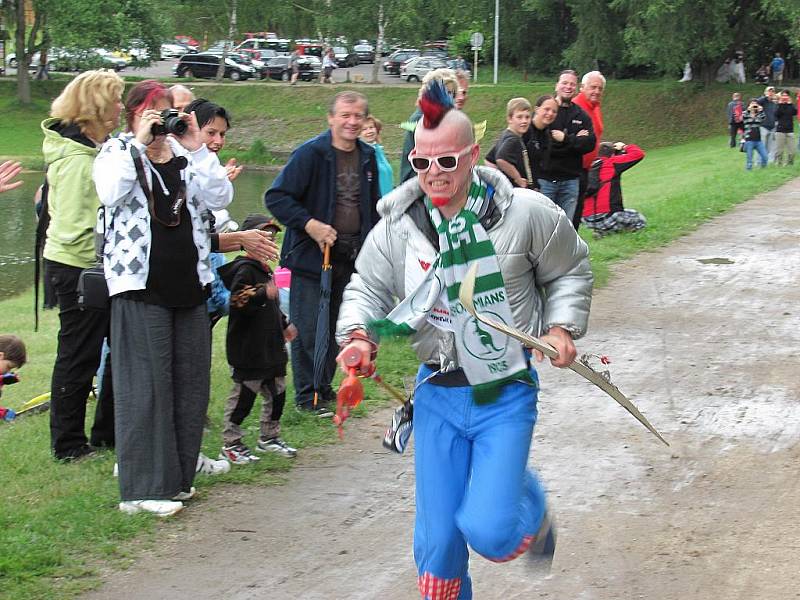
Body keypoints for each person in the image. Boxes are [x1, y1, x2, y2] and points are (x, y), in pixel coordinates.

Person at [335, 80, 593, 599]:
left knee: (492, 532)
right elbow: (366, 284)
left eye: (447, 161)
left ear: (473, 155)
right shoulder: (397, 225)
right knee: (438, 550)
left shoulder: (525, 213)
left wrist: (562, 327)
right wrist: (359, 335)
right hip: (436, 393)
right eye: (421, 161)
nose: (433, 173)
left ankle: (531, 506)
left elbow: (570, 269)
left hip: (504, 389)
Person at [94, 80, 233, 516]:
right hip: (139, 286)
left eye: (177, 112)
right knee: (145, 388)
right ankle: (139, 491)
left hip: (189, 285)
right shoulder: (117, 152)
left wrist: (196, 145)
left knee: (189, 386)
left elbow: (220, 196)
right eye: (162, 112)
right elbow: (110, 192)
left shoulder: (187, 157)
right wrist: (140, 142)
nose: (170, 120)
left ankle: (175, 481)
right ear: (137, 112)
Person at [264, 91, 380, 415]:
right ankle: (306, 396)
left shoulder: (368, 157)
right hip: (313, 257)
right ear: (331, 118)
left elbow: (373, 206)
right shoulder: (310, 154)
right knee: (309, 327)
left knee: (337, 326)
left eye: (358, 116)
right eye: (345, 115)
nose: (352, 121)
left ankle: (324, 389)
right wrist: (310, 224)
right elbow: (277, 197)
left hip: (352, 255)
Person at [41, 69, 124, 461]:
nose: (122, 108)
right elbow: (75, 226)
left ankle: (107, 432)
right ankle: (68, 443)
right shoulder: (77, 160)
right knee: (80, 354)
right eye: (117, 101)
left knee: (117, 348)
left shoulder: (100, 149)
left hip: (99, 266)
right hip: (78, 267)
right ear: (97, 107)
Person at [218, 215, 298, 464]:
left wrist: (284, 324)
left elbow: (272, 306)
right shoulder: (243, 269)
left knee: (278, 394)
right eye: (263, 237)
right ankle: (231, 442)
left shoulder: (266, 270)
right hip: (248, 349)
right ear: (248, 240)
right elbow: (238, 300)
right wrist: (264, 291)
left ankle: (269, 437)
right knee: (244, 396)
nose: (269, 242)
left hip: (271, 348)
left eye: (272, 237)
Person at [538, 69, 595, 223]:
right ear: (557, 85)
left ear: (576, 88)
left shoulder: (581, 115)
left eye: (572, 84)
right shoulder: (547, 112)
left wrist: (565, 139)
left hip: (571, 181)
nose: (568, 87)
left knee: (566, 228)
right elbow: (545, 146)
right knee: (544, 226)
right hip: (545, 180)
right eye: (564, 83)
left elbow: (590, 144)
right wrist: (575, 141)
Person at [399, 69, 462, 184]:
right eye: (443, 92)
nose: (448, 98)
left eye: (451, 93)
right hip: (419, 184)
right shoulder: (422, 119)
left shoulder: (441, 117)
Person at [581, 142, 647, 237]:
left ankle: (602, 232)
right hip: (608, 216)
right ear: (612, 154)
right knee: (639, 219)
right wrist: (624, 146)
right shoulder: (612, 162)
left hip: (586, 220)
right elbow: (638, 154)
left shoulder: (587, 166)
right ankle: (609, 232)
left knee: (624, 213)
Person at [573, 70, 605, 230]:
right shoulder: (576, 108)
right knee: (571, 212)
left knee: (578, 211)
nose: (597, 91)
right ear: (582, 87)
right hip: (573, 168)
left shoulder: (595, 107)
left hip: (587, 169)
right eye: (593, 87)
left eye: (600, 88)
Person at [490, 97, 535, 189]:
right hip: (516, 190)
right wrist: (517, 178)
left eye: (527, 117)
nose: (524, 121)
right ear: (510, 119)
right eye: (519, 117)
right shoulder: (512, 139)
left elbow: (489, 160)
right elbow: (501, 159)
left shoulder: (505, 135)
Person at [360, 115, 394, 196]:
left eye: (371, 127)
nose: (369, 131)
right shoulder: (361, 154)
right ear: (358, 134)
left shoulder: (378, 150)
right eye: (364, 129)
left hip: (388, 201)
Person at [742, 99, 768, 170]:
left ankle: (763, 169)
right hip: (749, 139)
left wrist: (761, 110)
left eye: (755, 104)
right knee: (749, 159)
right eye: (752, 104)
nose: (754, 106)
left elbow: (763, 118)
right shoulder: (745, 113)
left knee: (765, 157)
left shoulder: (758, 114)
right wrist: (749, 110)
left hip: (758, 140)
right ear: (749, 105)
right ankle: (748, 171)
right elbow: (743, 118)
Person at [773, 90, 797, 166]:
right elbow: (776, 114)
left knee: (792, 151)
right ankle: (778, 164)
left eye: (786, 95)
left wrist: (791, 104)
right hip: (780, 130)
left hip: (790, 130)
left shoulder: (790, 105)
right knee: (779, 150)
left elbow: (794, 112)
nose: (784, 97)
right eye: (783, 95)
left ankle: (789, 164)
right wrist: (780, 104)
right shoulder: (778, 105)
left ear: (788, 96)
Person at [757, 86, 778, 162]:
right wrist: (765, 97)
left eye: (772, 91)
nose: (771, 93)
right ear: (765, 92)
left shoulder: (774, 103)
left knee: (769, 147)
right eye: (769, 91)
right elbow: (756, 102)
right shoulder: (762, 101)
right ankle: (759, 162)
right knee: (762, 146)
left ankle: (767, 162)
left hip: (772, 127)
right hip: (763, 126)